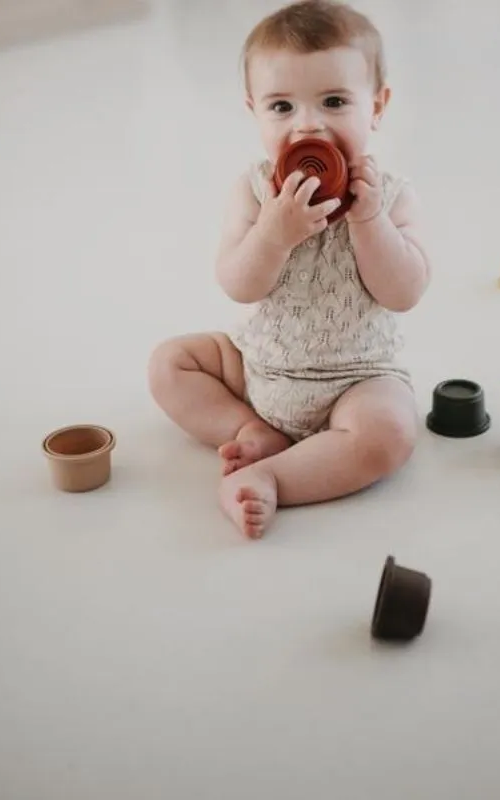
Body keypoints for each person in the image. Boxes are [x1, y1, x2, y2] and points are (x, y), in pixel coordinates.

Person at [148, 0, 431, 538]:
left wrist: (369, 220)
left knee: (391, 431)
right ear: (253, 110)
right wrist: (273, 234)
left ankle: (271, 476)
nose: (308, 125)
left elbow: (405, 292)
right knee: (169, 364)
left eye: (333, 101)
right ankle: (250, 428)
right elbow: (237, 283)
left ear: (377, 105)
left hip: (357, 379)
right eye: (282, 107)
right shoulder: (254, 191)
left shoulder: (391, 197)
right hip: (258, 365)